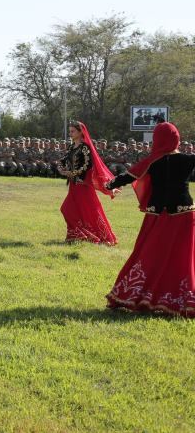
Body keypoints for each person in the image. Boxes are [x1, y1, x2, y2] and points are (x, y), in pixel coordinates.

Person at [104, 122, 195, 316]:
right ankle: (181, 298)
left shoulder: (151, 161)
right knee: (182, 257)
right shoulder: (189, 159)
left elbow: (127, 176)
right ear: (177, 139)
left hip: (157, 215)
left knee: (149, 254)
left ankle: (144, 294)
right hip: (184, 214)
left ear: (157, 139)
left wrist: (109, 184)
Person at [57, 121, 117, 245]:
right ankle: (80, 234)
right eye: (70, 131)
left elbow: (87, 165)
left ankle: (98, 236)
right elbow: (63, 159)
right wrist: (60, 168)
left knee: (87, 211)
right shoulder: (72, 147)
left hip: (83, 184)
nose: (70, 133)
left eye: (73, 131)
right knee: (69, 209)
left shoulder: (85, 147)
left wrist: (72, 173)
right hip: (74, 185)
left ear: (80, 132)